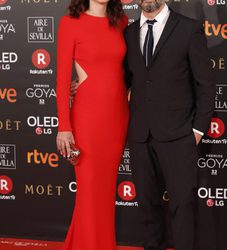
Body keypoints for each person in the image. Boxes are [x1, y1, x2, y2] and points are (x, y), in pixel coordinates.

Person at [123, 0, 216, 249]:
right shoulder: (129, 33)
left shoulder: (189, 28)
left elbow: (205, 85)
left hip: (179, 135)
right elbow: (124, 81)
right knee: (147, 207)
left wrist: (196, 131)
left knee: (182, 207)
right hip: (141, 135)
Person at [55, 0, 129, 249]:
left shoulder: (121, 22)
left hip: (117, 117)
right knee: (88, 189)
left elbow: (128, 71)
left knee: (105, 192)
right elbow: (63, 79)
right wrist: (64, 126)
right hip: (87, 118)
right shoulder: (70, 23)